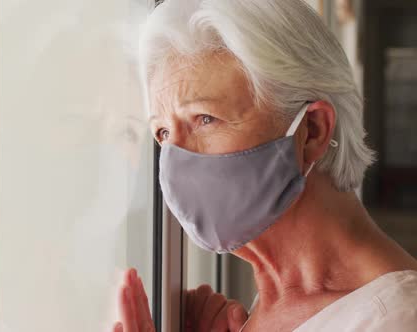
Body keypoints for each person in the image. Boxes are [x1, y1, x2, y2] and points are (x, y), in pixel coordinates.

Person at [113, 0, 417, 331]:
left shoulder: (395, 318)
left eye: (204, 119)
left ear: (311, 130)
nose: (175, 160)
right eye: (163, 132)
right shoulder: (276, 302)